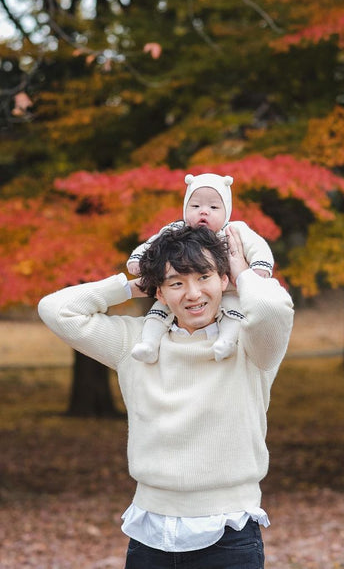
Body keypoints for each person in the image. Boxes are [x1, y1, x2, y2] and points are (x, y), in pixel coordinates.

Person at [38, 224, 294, 569]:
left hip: (229, 534)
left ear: (224, 280)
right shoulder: (137, 344)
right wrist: (131, 286)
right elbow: (56, 309)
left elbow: (274, 309)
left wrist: (243, 272)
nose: (192, 294)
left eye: (204, 277)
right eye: (176, 282)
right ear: (158, 292)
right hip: (150, 534)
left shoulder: (252, 346)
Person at [127, 172, 274, 363]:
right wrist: (139, 260)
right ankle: (149, 344)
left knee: (233, 310)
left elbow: (258, 246)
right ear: (185, 208)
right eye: (195, 206)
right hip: (180, 298)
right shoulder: (175, 231)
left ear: (226, 210)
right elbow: (152, 244)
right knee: (158, 310)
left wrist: (255, 269)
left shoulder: (234, 231)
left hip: (230, 289)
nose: (204, 211)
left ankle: (227, 341)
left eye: (214, 207)